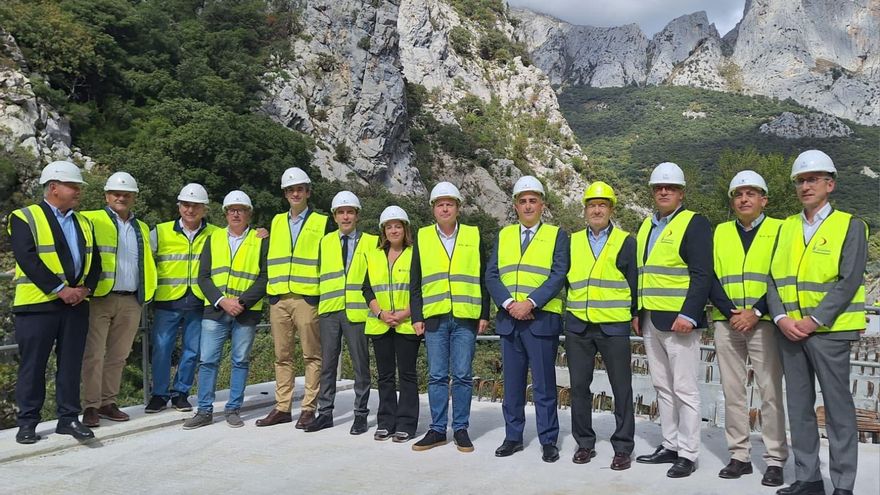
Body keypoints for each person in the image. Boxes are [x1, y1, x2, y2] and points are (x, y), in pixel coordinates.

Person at [768, 150, 867, 495]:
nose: (805, 186)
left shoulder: (850, 226)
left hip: (830, 332)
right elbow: (772, 279)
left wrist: (813, 320)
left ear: (830, 185)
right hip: (789, 332)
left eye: (812, 179)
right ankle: (808, 478)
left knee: (838, 409)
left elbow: (849, 280)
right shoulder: (785, 228)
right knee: (799, 408)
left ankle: (842, 484)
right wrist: (781, 318)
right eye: (800, 181)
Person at [9, 161, 101, 444]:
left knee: (71, 365)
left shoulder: (84, 222)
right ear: (53, 188)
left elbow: (95, 261)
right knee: (33, 366)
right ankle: (27, 423)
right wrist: (61, 289)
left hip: (75, 305)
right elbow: (27, 258)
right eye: (73, 186)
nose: (78, 191)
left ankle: (68, 419)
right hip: (37, 305)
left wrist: (85, 289)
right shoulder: (24, 217)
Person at [633, 162, 713, 478]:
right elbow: (642, 274)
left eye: (670, 187)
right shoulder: (646, 226)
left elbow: (702, 273)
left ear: (681, 193)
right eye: (659, 187)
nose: (664, 191)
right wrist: (638, 312)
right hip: (651, 318)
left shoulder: (694, 223)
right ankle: (670, 444)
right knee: (662, 386)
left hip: (680, 321)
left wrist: (689, 314)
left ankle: (688, 453)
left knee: (685, 388)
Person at [709, 170, 788, 486]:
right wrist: (732, 313)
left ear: (763, 200)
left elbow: (782, 277)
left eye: (751, 194)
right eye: (738, 195)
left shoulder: (780, 230)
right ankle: (739, 456)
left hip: (764, 322)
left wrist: (756, 312)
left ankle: (775, 460)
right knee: (733, 391)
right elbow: (710, 276)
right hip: (727, 321)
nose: (744, 199)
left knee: (770, 391)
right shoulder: (720, 232)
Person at [485, 175, 570, 463]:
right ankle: (513, 437)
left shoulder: (557, 235)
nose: (528, 205)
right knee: (512, 385)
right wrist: (510, 304)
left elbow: (558, 274)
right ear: (515, 206)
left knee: (544, 386)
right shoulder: (504, 235)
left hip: (540, 320)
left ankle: (548, 440)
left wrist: (530, 303)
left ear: (542, 204)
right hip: (510, 321)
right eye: (523, 201)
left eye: (533, 200)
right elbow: (492, 275)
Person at [411, 182, 490, 453]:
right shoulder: (423, 236)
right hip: (435, 316)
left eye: (450, 204)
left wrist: (484, 312)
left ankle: (460, 429)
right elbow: (415, 280)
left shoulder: (472, 234)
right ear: (433, 209)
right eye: (440, 204)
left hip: (466, 316)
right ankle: (437, 429)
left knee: (463, 375)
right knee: (436, 375)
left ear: (458, 208)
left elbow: (482, 276)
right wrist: (417, 315)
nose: (445, 208)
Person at [564, 181, 637, 470]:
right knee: (579, 387)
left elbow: (634, 283)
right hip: (578, 326)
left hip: (614, 325)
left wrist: (634, 315)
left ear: (611, 209)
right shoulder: (571, 241)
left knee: (622, 387)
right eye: (592, 205)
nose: (597, 210)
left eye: (602, 205)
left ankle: (623, 447)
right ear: (585, 210)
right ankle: (584, 443)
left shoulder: (625, 241)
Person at [183, 191, 268, 429]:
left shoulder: (261, 239)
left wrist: (241, 302)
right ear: (225, 214)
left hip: (246, 311)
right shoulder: (214, 238)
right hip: (216, 309)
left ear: (249, 213)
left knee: (240, 361)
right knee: (208, 361)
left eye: (241, 210)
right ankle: (204, 411)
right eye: (232, 210)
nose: (236, 214)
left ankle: (233, 409)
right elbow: (203, 277)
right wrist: (222, 301)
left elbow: (265, 276)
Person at [257, 167, 332, 430]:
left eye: (300, 189)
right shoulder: (276, 221)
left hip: (306, 298)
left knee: (312, 355)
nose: (295, 194)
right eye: (290, 190)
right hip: (279, 298)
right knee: (282, 356)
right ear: (285, 194)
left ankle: (309, 408)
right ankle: (282, 407)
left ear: (308, 192)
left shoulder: (322, 222)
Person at [79, 172, 156, 427]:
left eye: (126, 194)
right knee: (93, 355)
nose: (121, 198)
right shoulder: (91, 219)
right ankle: (90, 406)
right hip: (99, 297)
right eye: (116, 193)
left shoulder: (141, 227)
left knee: (119, 355)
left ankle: (108, 403)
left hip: (131, 300)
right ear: (106, 196)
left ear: (134, 197)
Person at [305, 191, 376, 435]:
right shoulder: (324, 242)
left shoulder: (371, 241)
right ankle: (325, 413)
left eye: (350, 212)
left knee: (360, 366)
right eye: (341, 212)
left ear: (357, 215)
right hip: (330, 310)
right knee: (328, 364)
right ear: (334, 216)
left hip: (357, 312)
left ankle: (360, 415)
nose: (346, 217)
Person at [145, 183, 218, 413]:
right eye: (186, 204)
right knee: (162, 348)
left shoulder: (215, 234)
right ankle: (159, 394)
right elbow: (143, 258)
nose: (190, 210)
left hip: (198, 300)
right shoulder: (160, 231)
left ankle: (181, 393)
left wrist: (260, 234)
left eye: (196, 206)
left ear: (204, 209)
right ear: (179, 206)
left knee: (192, 350)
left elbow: (240, 242)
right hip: (167, 300)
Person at [362, 206, 419, 443]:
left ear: (405, 229)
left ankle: (406, 423)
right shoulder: (374, 255)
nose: (393, 230)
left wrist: (405, 314)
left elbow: (419, 288)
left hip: (407, 324)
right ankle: (386, 422)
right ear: (383, 231)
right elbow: (367, 289)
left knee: (407, 375)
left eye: (398, 226)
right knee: (384, 376)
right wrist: (381, 314)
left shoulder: (415, 254)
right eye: (389, 227)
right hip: (381, 324)